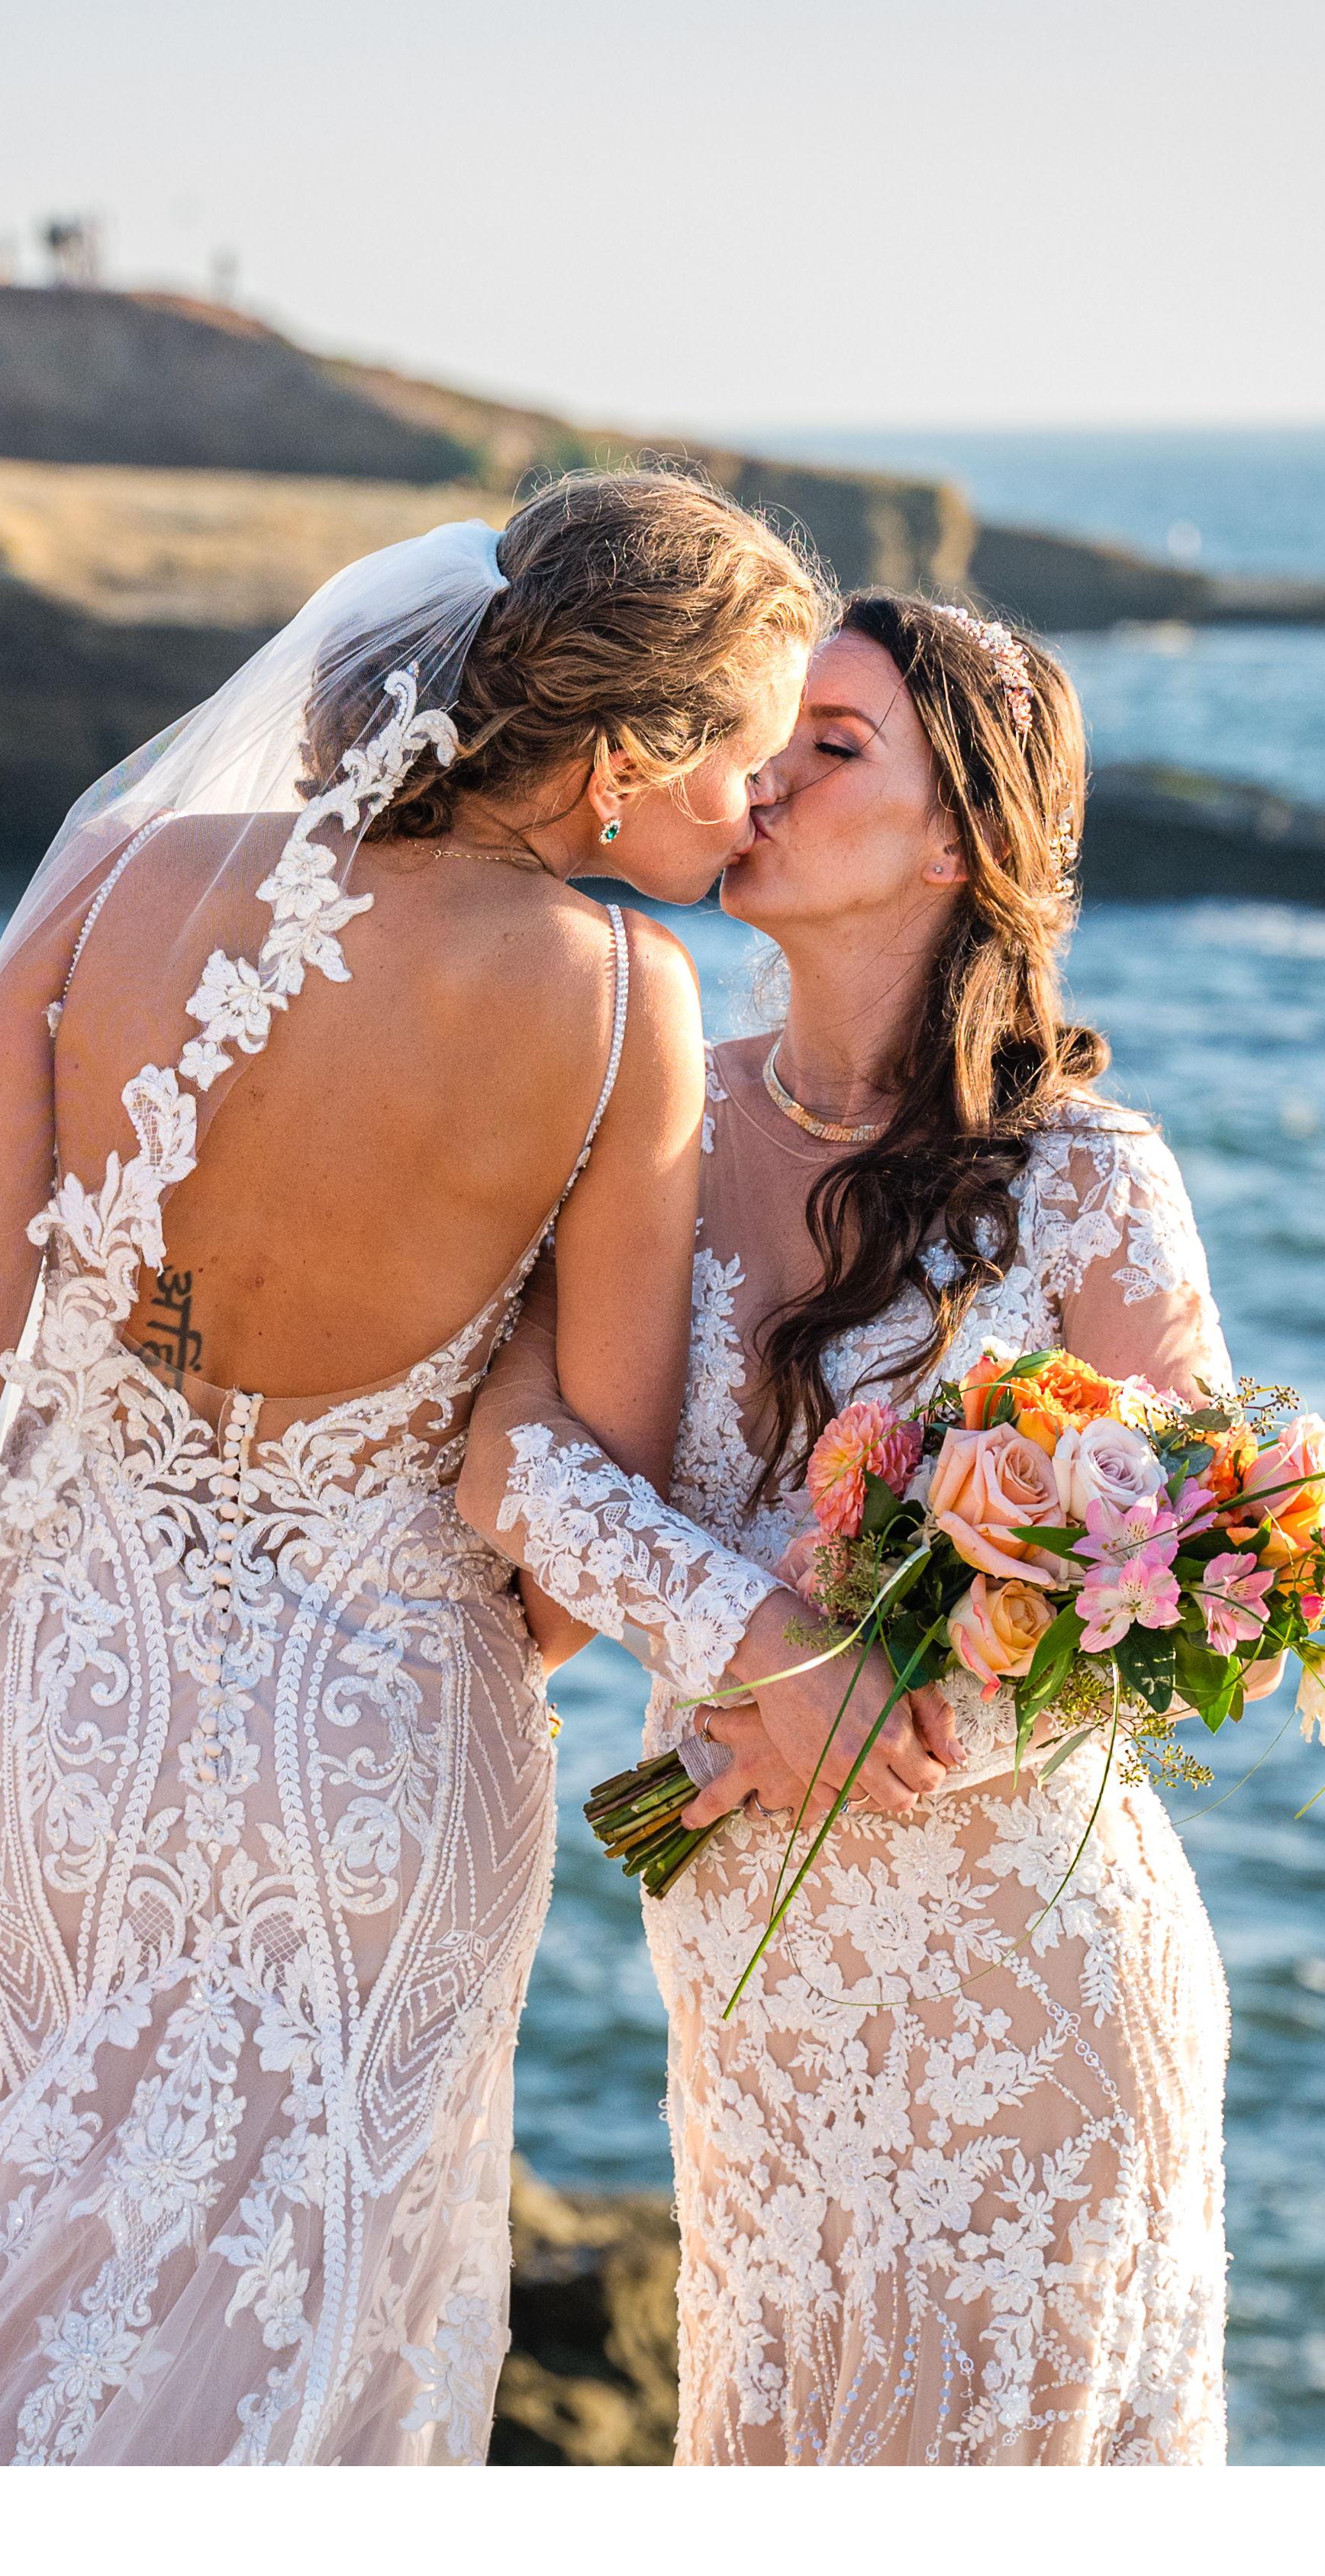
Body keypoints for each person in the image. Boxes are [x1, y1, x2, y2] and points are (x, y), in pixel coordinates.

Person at [0, 471, 827, 2465]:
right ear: (630, 746)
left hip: (54, 1699)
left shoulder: (117, 886)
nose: (760, 808)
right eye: (747, 750)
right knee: (301, 2346)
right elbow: (596, 1499)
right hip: (378, 1754)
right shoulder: (626, 1001)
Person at [463, 594, 1234, 2465]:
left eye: (835, 746)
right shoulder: (659, 1112)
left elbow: (1186, 1595)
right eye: (774, 735)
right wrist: (762, 1652)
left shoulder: (1089, 1179)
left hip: (1021, 1984)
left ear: (960, 836)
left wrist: (897, 1708)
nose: (769, 777)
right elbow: (514, 1460)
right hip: (755, 1977)